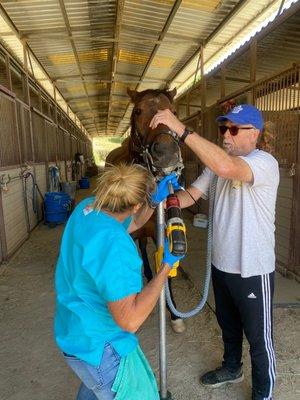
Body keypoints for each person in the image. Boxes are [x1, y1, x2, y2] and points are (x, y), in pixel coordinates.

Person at [150, 104, 279, 400]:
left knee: (259, 338)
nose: (226, 135)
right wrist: (166, 197)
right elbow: (190, 195)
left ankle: (264, 392)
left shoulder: (263, 163)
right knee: (228, 326)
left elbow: (226, 167)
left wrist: (179, 128)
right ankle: (232, 368)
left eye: (234, 129)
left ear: (254, 134)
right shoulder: (217, 166)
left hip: (252, 269)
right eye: (223, 128)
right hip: (222, 265)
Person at [54, 163, 184, 400]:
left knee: (94, 388)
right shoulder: (116, 247)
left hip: (75, 333)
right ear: (135, 205)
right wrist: (165, 266)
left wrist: (153, 203)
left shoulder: (87, 208)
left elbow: (131, 223)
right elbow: (130, 320)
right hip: (100, 346)